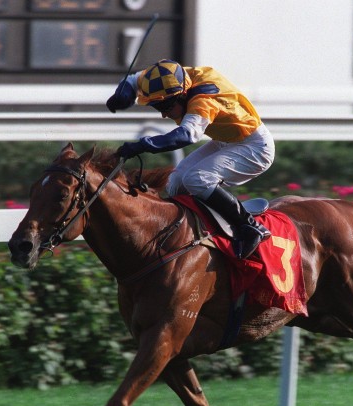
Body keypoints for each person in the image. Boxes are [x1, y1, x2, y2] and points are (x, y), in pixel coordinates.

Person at [106, 59, 276, 260]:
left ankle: (250, 227)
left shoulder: (203, 100)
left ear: (183, 95)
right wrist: (125, 91)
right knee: (176, 181)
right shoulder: (174, 76)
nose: (163, 114)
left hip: (255, 147)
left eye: (166, 106)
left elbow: (186, 136)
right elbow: (136, 79)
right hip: (227, 140)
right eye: (156, 107)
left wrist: (142, 145)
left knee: (196, 178)